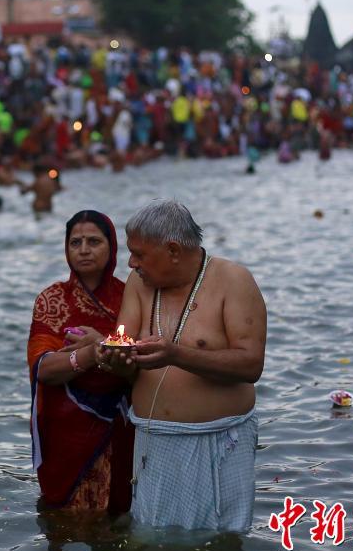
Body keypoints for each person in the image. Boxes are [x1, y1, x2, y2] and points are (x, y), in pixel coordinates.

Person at [96, 199, 266, 532]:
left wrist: (176, 355)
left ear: (173, 250)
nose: (131, 263)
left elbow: (251, 365)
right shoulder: (139, 285)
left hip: (219, 441)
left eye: (139, 254)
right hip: (155, 442)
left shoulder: (233, 280)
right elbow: (125, 357)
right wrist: (113, 359)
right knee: (153, 542)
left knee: (221, 544)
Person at [27, 210, 134, 513]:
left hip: (123, 425)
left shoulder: (130, 297)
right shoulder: (52, 300)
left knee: (121, 518)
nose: (84, 250)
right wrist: (90, 354)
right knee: (66, 523)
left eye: (93, 241)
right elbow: (43, 368)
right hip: (66, 433)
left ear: (112, 246)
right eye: (76, 242)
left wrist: (98, 343)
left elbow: (141, 357)